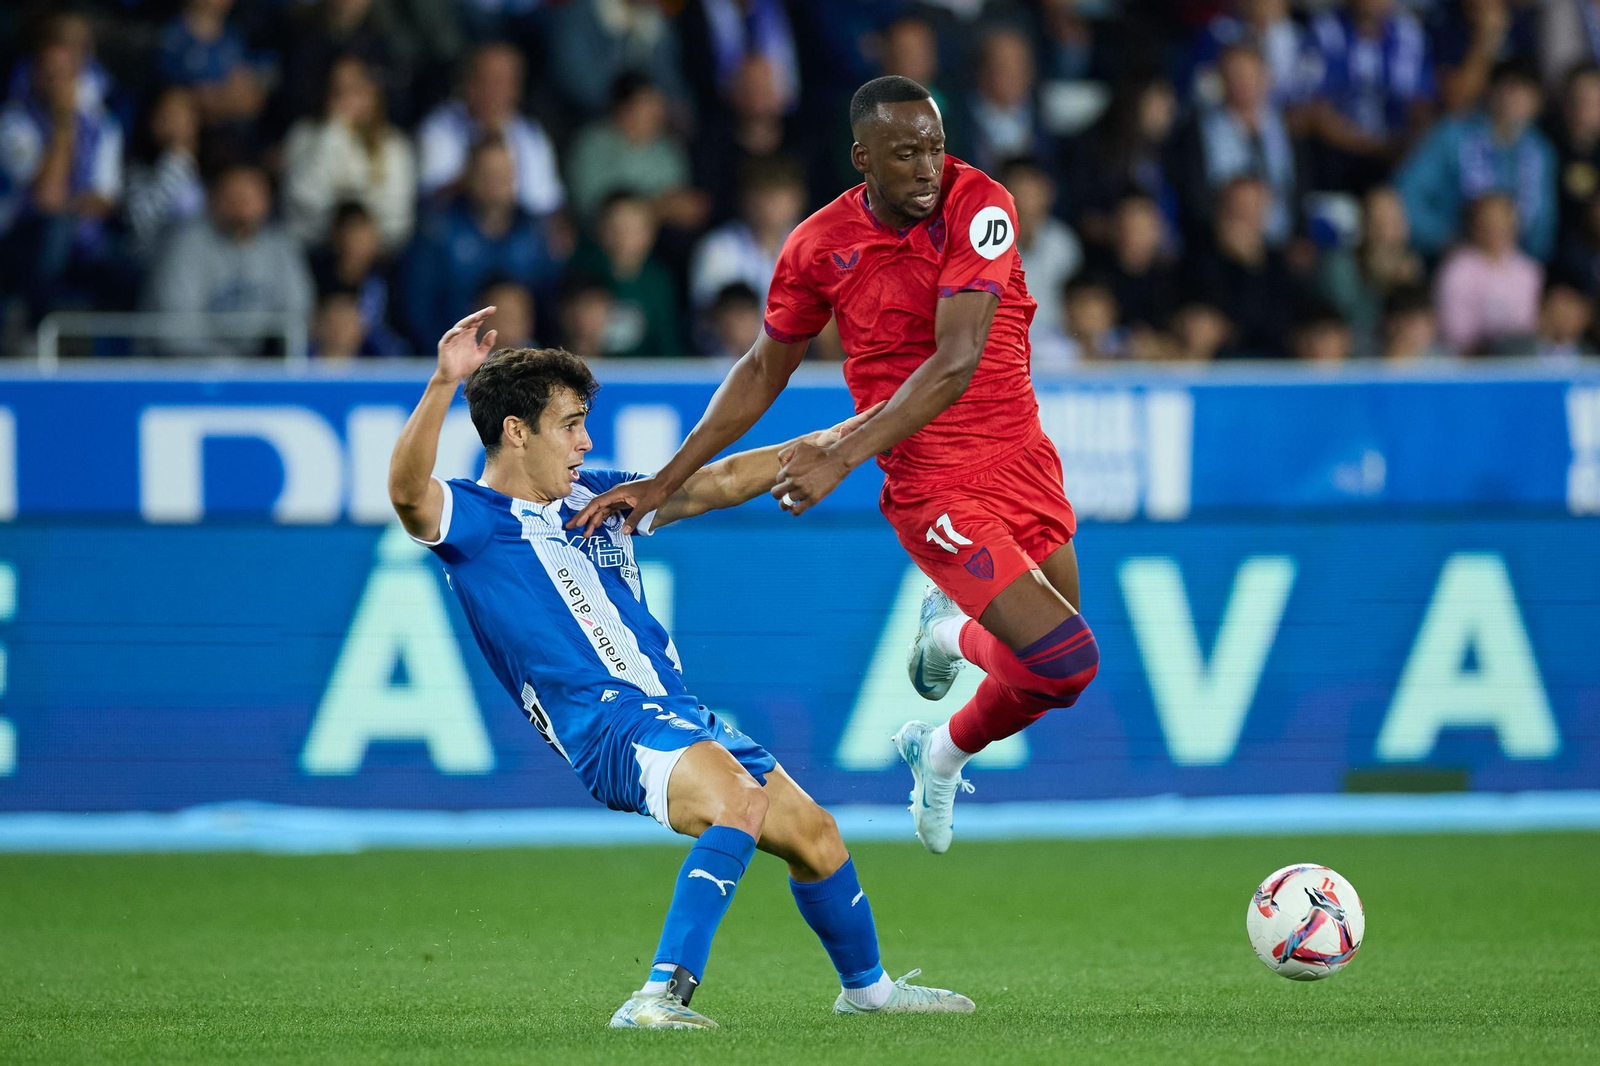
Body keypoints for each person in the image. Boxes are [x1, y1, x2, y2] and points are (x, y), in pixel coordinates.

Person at [387, 310, 973, 1028]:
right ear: (516, 431)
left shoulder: (596, 499)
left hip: (672, 710)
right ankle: (656, 996)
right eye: (570, 424)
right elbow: (409, 496)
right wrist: (445, 381)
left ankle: (870, 993)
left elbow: (720, 480)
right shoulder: (474, 521)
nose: (585, 441)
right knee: (739, 804)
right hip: (607, 723)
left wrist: (853, 434)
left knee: (815, 836)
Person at [569, 76, 1101, 855]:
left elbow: (956, 362)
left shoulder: (981, 205)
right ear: (863, 158)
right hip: (933, 480)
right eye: (906, 152)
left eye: (936, 147)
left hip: (1022, 457)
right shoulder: (818, 248)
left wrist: (838, 456)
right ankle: (950, 649)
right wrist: (665, 478)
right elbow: (760, 370)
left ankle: (942, 740)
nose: (928, 167)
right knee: (1063, 654)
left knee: (1055, 676)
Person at [143, 162, 314, 357]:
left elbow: (296, 314)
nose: (242, 205)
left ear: (267, 201)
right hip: (189, 369)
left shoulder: (281, 245)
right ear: (212, 199)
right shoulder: (184, 244)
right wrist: (230, 363)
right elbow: (176, 327)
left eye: (250, 196)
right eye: (232, 196)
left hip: (258, 367)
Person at [282, 53, 416, 250]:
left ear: (373, 93)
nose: (347, 99)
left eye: (355, 90)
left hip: (376, 252)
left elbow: (398, 215)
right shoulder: (303, 134)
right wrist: (333, 130)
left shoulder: (394, 144)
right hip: (315, 247)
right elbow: (303, 198)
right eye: (338, 91)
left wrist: (358, 229)